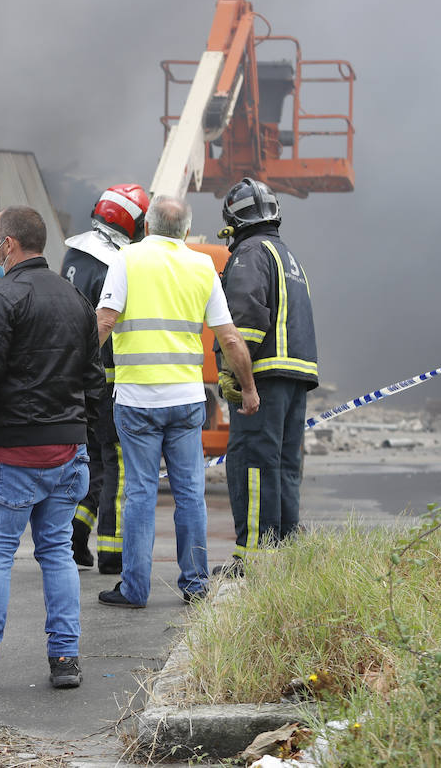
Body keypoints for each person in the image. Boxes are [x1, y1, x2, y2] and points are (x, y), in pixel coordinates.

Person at [0, 205, 106, 693]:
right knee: (56, 552)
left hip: (15, 451)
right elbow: (94, 380)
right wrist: (88, 441)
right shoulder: (76, 299)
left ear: (8, 245)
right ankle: (65, 660)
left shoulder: (0, 296)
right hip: (68, 450)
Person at [94, 195, 258, 610]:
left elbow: (105, 321)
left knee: (140, 494)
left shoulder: (126, 260)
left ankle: (134, 588)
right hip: (186, 402)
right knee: (190, 494)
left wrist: (68, 372)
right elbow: (231, 338)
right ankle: (196, 585)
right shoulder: (203, 266)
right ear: (186, 231)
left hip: (135, 402)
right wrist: (249, 388)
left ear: (146, 226)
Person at [212, 178, 319, 576]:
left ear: (234, 220)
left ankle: (254, 558)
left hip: (264, 376)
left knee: (252, 462)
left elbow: (245, 323)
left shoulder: (249, 254)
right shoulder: (287, 254)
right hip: (296, 376)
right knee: (284, 466)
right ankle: (286, 551)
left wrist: (235, 373)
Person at [60, 184, 150, 574]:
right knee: (114, 463)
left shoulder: (74, 255)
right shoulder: (118, 263)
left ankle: (74, 533)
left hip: (71, 376)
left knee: (87, 460)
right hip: (108, 380)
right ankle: (112, 552)